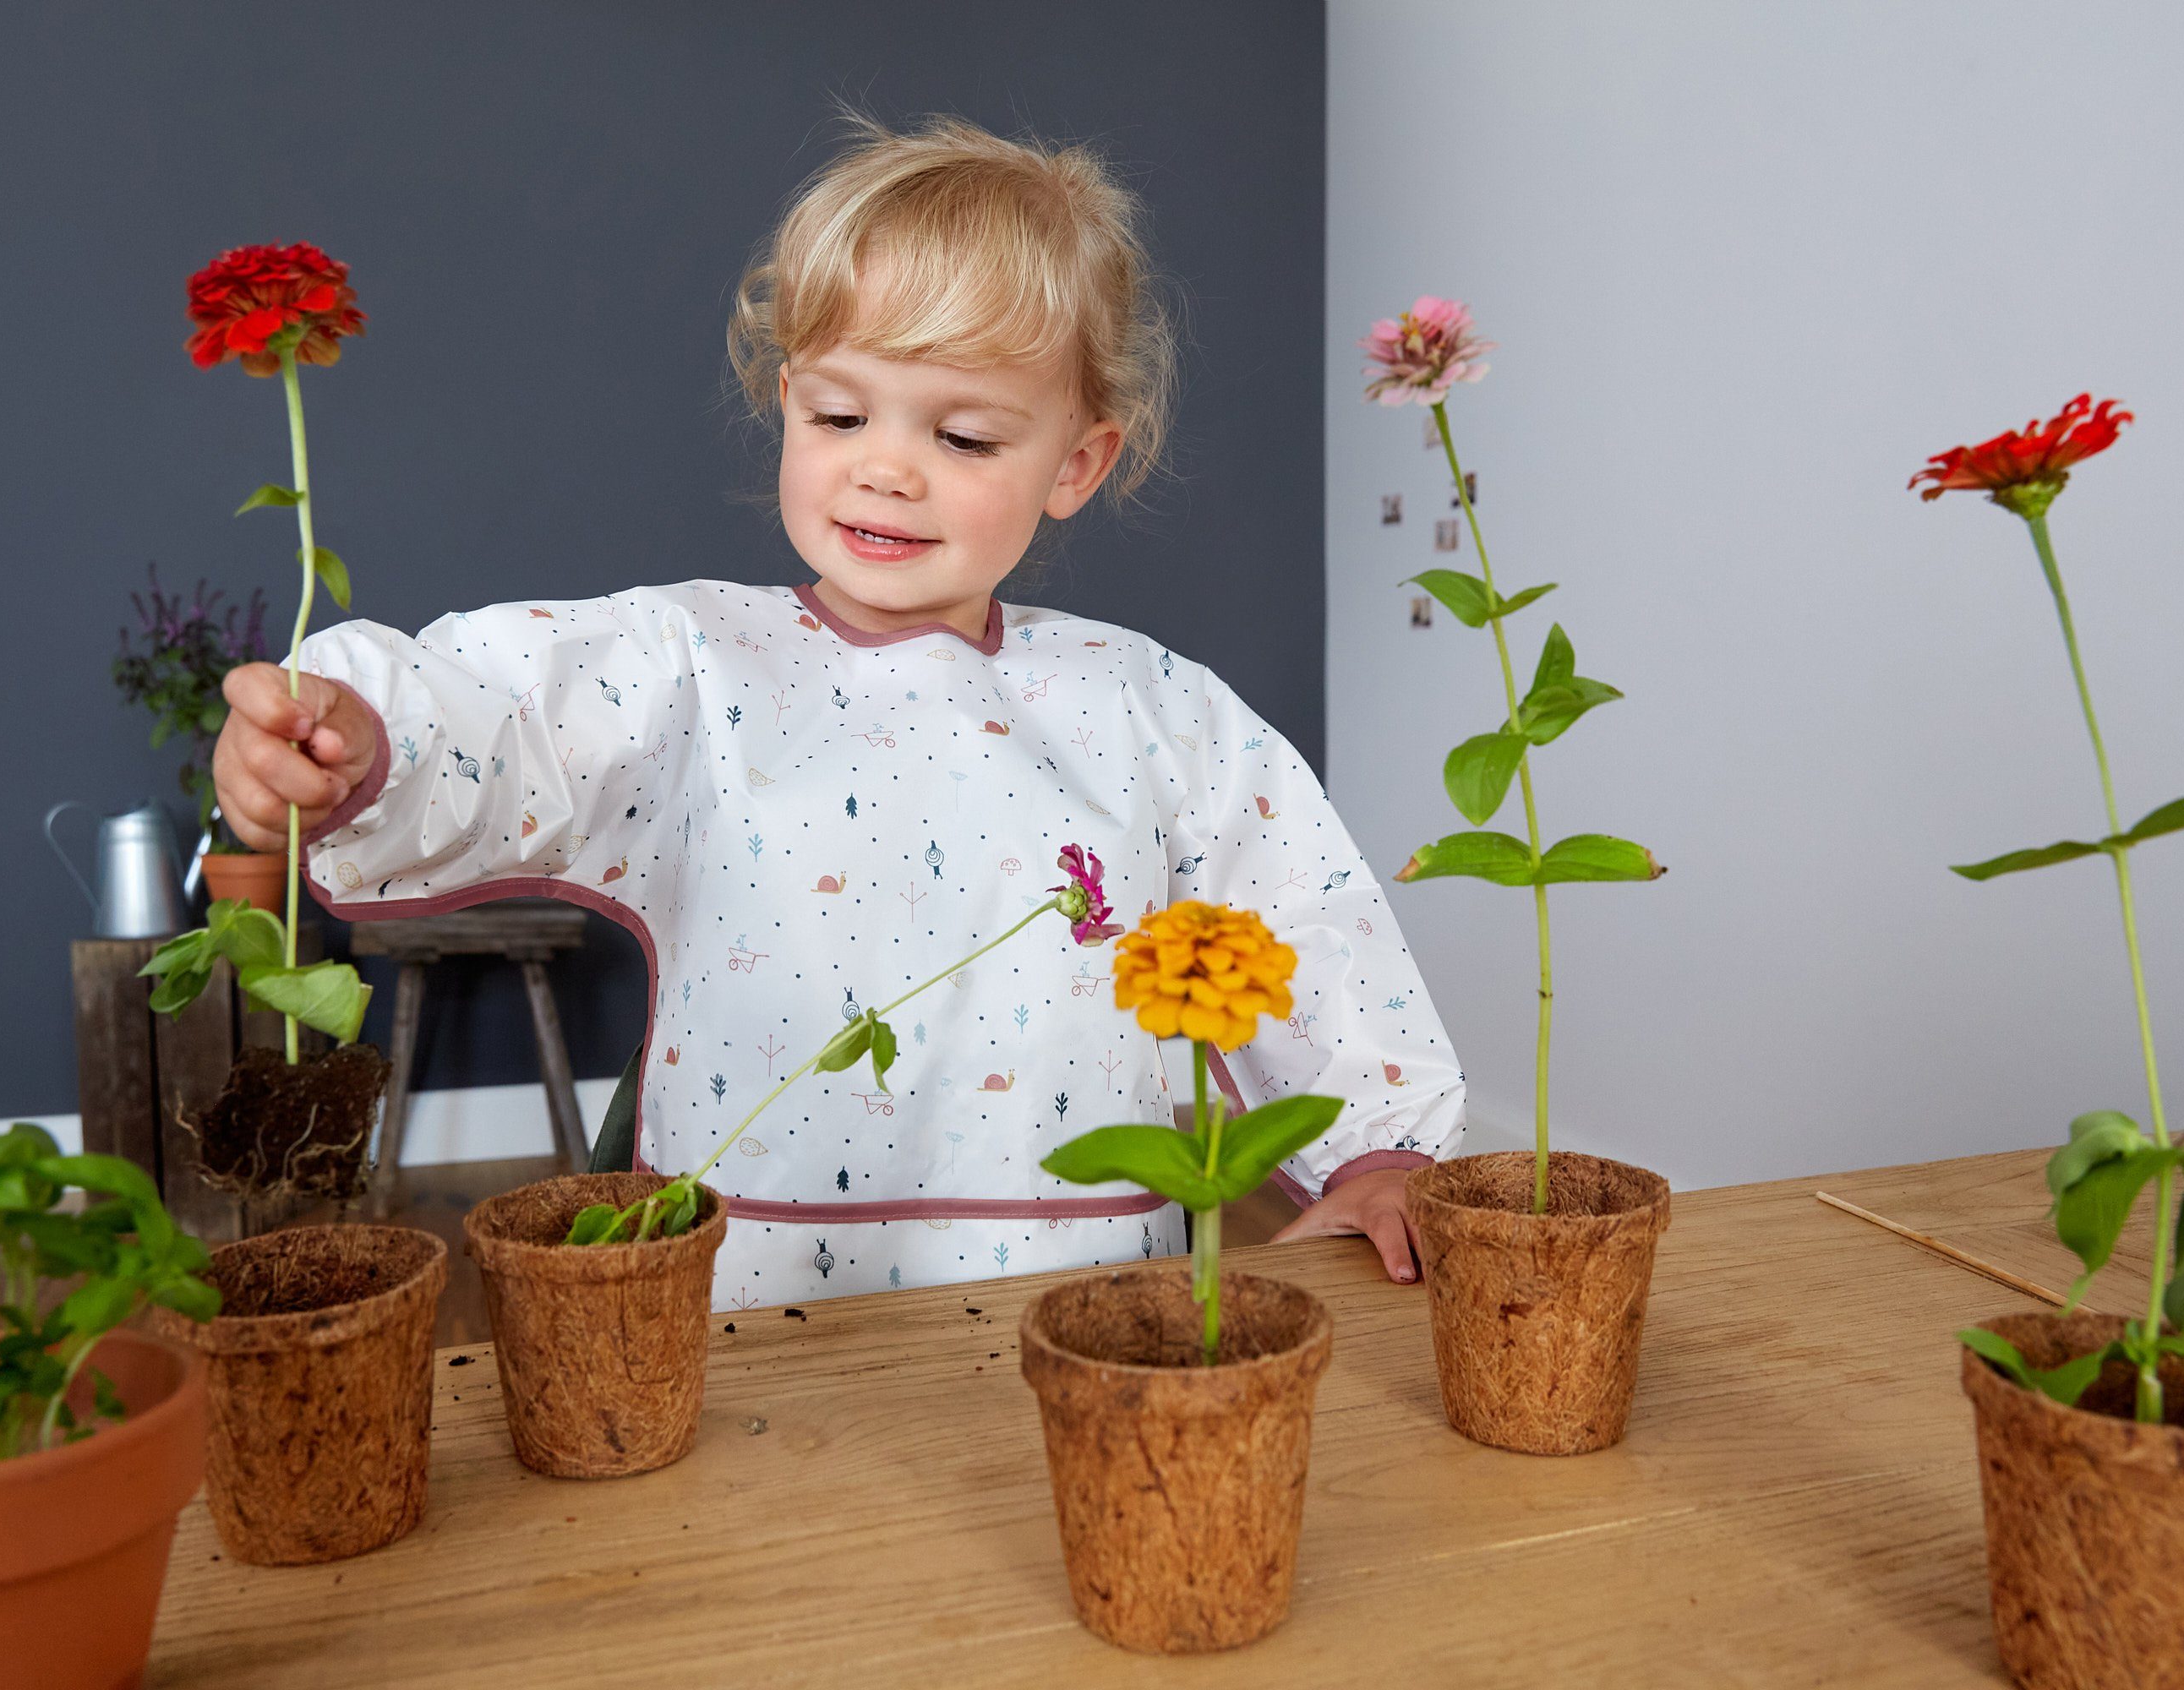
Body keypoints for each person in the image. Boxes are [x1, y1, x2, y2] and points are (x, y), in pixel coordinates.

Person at [210, 114, 1465, 1310]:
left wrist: (1382, 1148)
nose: (887, 466)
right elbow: (506, 710)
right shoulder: (691, 663)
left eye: (965, 437)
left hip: (1085, 1290)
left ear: (1075, 464)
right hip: (753, 1293)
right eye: (841, 414)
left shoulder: (1152, 706)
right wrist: (363, 737)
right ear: (788, 397)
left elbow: (1300, 905)